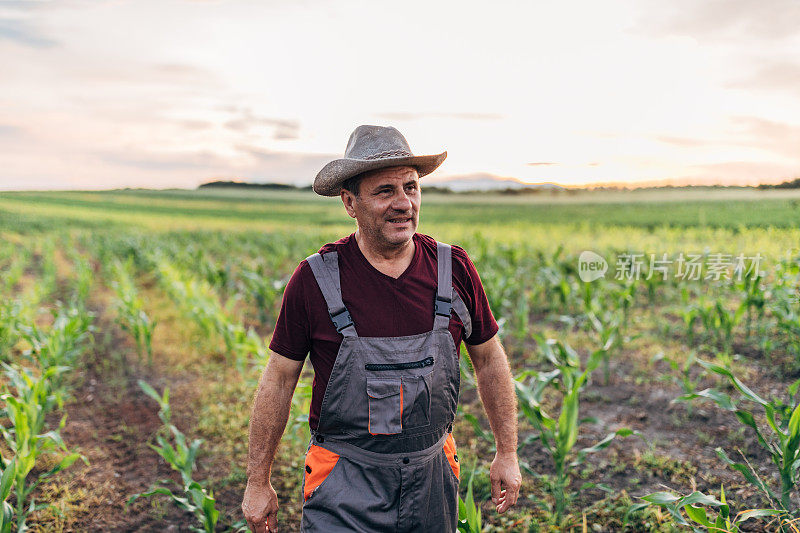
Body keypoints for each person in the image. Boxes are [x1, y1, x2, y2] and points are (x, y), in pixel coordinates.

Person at [242, 125, 521, 532]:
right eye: (385, 191)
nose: (404, 203)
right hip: (343, 479)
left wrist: (507, 452)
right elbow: (279, 381)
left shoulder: (454, 270)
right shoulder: (316, 279)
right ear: (350, 203)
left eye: (411, 187)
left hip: (432, 476)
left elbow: (490, 361)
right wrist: (257, 481)